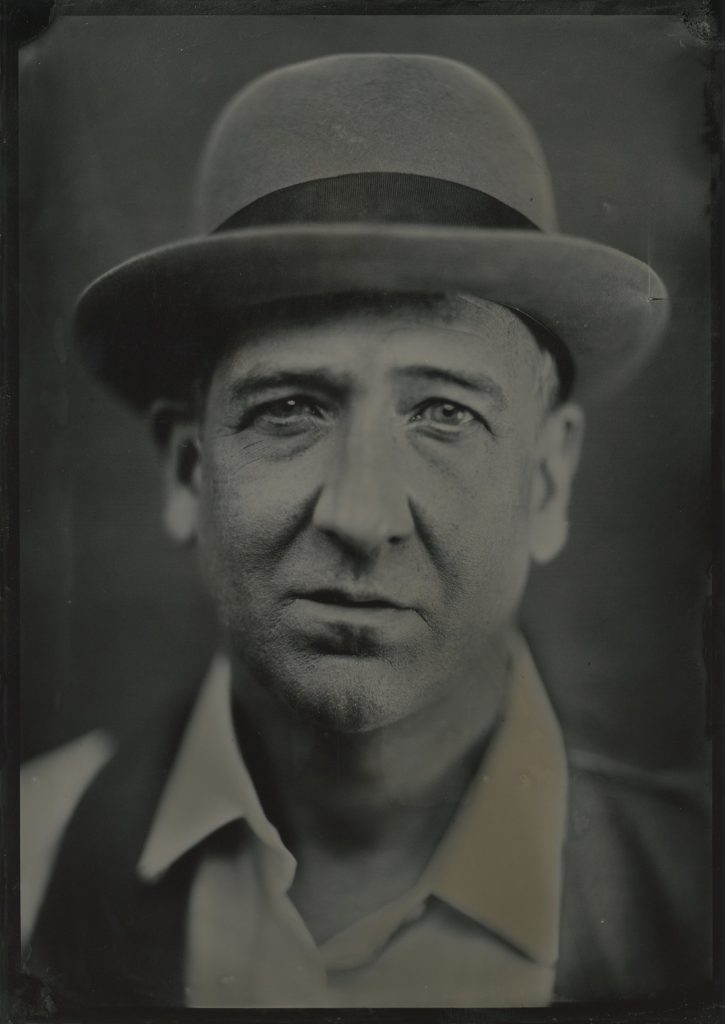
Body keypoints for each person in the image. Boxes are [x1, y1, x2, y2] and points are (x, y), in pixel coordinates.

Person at [21, 53, 710, 1009]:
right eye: (292, 408)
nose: (360, 515)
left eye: (444, 414)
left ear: (546, 480)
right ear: (188, 469)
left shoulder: (702, 890)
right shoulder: (30, 860)